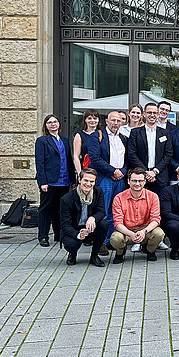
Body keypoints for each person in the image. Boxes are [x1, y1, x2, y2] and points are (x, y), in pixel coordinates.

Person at [86, 110, 127, 247]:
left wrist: (122, 171)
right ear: (107, 122)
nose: (116, 123)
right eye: (113, 120)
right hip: (105, 178)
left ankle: (110, 240)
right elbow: (95, 158)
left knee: (115, 210)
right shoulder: (96, 136)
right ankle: (100, 242)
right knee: (102, 210)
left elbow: (128, 160)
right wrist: (112, 171)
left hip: (119, 179)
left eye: (119, 121)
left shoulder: (123, 138)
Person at [35, 114, 75, 247]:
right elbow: (39, 163)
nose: (53, 124)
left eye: (55, 122)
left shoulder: (64, 140)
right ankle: (43, 236)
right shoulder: (42, 141)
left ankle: (59, 234)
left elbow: (69, 160)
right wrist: (43, 182)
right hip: (50, 181)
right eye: (50, 122)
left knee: (61, 209)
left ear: (59, 124)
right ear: (46, 126)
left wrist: (72, 179)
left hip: (64, 181)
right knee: (46, 209)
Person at [110, 168, 164, 263]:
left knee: (159, 234)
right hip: (126, 231)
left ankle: (150, 251)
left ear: (145, 182)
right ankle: (120, 252)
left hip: (145, 230)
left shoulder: (153, 196)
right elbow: (117, 223)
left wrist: (143, 231)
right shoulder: (119, 198)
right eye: (134, 180)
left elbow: (155, 219)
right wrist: (131, 234)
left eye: (140, 181)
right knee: (115, 238)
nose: (137, 183)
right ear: (128, 181)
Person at [60, 168, 107, 266]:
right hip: (74, 228)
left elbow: (101, 211)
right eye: (86, 180)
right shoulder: (66, 199)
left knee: (104, 224)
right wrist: (78, 235)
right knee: (72, 244)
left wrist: (93, 218)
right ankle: (72, 254)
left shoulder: (98, 192)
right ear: (79, 180)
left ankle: (94, 256)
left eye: (92, 181)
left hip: (90, 226)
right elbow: (65, 224)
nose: (88, 184)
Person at [128, 102, 172, 194]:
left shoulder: (165, 133)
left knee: (160, 206)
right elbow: (132, 154)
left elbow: (168, 154)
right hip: (140, 176)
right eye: (149, 113)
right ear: (144, 114)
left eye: (154, 113)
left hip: (160, 176)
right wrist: (145, 172)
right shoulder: (135, 132)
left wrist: (155, 171)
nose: (152, 115)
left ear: (158, 114)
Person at [71, 110, 102, 177]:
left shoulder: (102, 134)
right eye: (89, 118)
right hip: (86, 168)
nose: (92, 121)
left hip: (101, 169)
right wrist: (80, 174)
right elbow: (76, 156)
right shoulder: (79, 135)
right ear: (85, 120)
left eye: (95, 118)